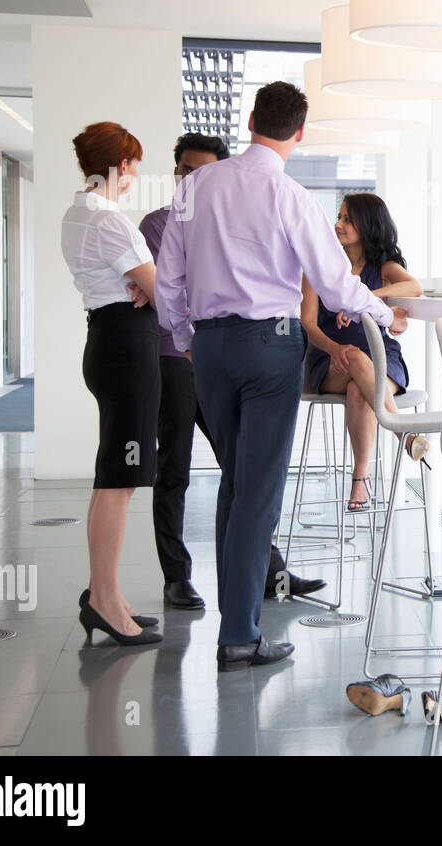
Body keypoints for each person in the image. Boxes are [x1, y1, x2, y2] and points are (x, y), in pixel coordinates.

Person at [155, 81, 409, 672]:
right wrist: (380, 314)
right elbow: (336, 284)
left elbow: (169, 277)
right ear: (300, 133)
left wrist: (189, 339)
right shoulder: (291, 196)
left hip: (211, 349)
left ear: (249, 121)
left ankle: (235, 622)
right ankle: (239, 636)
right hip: (268, 350)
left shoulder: (194, 187)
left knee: (234, 484)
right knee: (257, 493)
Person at [139, 134, 325, 610]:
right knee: (175, 467)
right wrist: (186, 340)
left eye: (199, 169)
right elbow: (166, 289)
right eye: (183, 169)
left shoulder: (240, 207)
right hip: (178, 358)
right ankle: (177, 576)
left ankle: (265, 575)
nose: (190, 178)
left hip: (217, 353)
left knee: (242, 472)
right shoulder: (162, 220)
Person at [60, 121, 162, 648]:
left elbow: (146, 285)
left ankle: (109, 594)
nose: (135, 175)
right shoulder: (110, 220)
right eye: (134, 165)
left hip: (107, 340)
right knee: (119, 483)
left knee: (112, 478)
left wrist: (148, 288)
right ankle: (103, 601)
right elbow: (159, 288)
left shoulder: (77, 213)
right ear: (120, 165)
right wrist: (153, 288)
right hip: (126, 348)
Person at [301, 193, 425, 511]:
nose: (339, 224)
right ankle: (404, 436)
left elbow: (414, 288)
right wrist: (333, 348)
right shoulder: (322, 267)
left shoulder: (383, 267)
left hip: (382, 356)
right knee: (355, 357)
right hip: (331, 360)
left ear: (367, 224)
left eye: (347, 219)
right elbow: (308, 324)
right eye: (339, 217)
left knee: (360, 388)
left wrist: (365, 295)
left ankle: (360, 481)